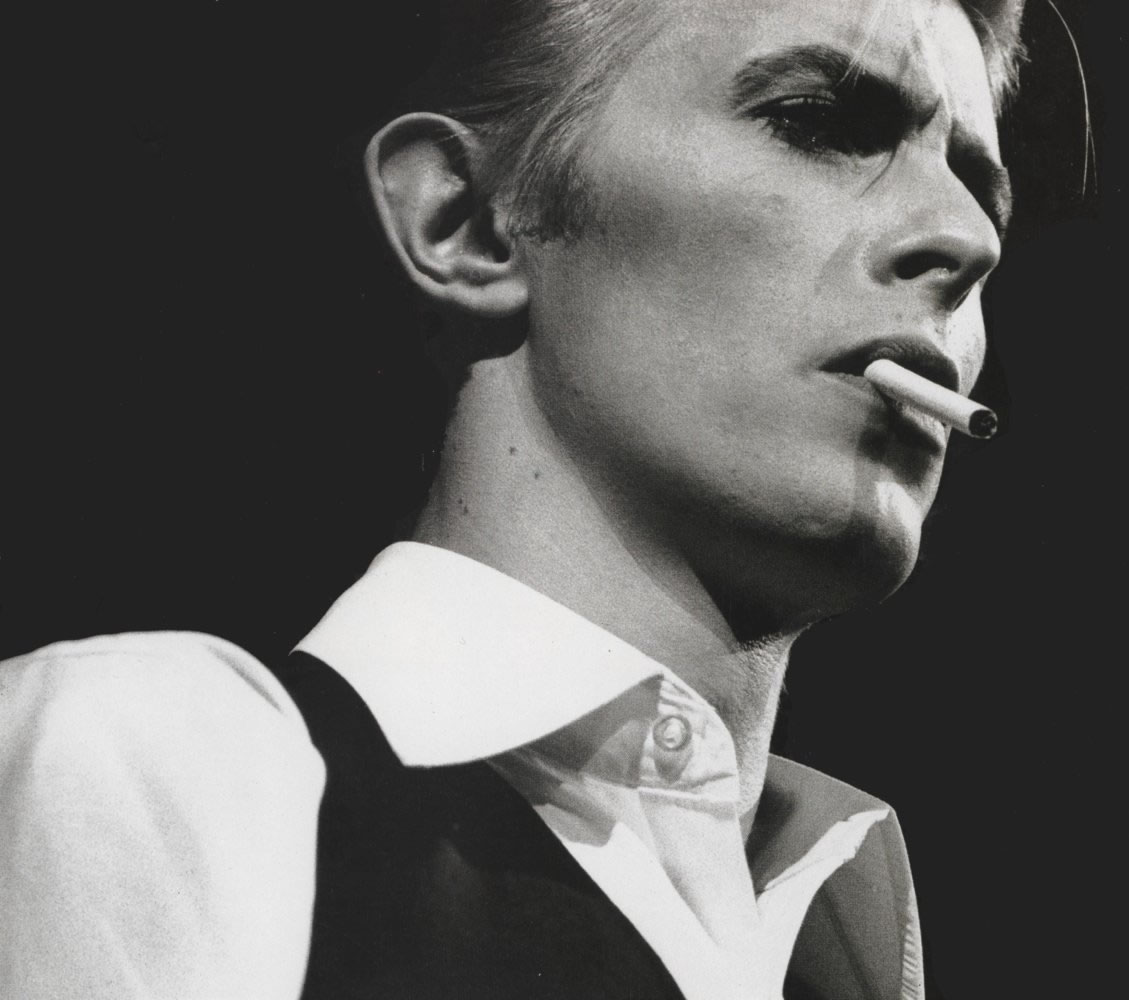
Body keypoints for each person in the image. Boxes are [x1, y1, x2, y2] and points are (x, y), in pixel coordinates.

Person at [0, 0, 1026, 997]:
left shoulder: (855, 924)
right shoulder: (158, 763)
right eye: (815, 121)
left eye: (981, 188)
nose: (967, 236)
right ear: (469, 222)